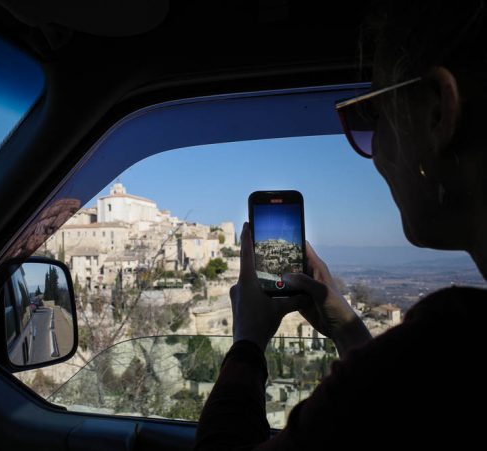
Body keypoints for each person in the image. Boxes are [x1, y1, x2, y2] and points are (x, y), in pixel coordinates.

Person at [195, 1, 487, 449]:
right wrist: (346, 327)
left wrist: (248, 342)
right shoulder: (445, 356)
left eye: (372, 117)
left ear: (437, 113)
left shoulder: (446, 348)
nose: (373, 154)